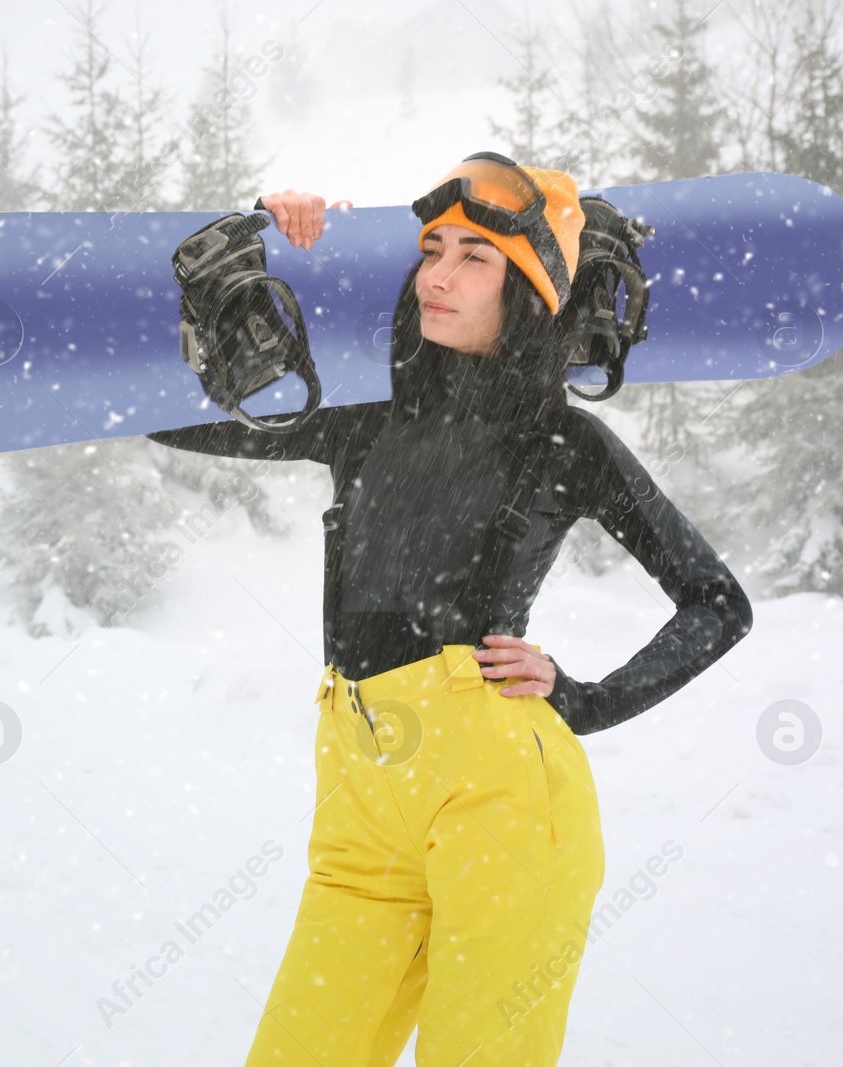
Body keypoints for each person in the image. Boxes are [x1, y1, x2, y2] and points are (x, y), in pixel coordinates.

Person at [145, 156, 752, 1066]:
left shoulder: (563, 439)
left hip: (504, 805)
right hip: (360, 803)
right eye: (431, 247)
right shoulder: (361, 417)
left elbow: (717, 602)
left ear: (529, 289)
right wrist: (251, 254)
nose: (437, 274)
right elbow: (158, 416)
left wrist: (584, 701)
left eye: (476, 256)